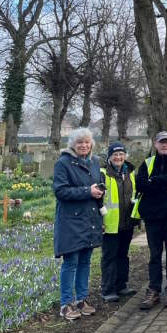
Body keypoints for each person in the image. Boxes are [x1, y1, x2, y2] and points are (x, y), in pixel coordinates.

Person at [53, 128, 103, 321]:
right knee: (71, 262)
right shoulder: (63, 163)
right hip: (71, 221)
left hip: (89, 219)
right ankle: (66, 304)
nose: (84, 145)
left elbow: (95, 185)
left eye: (87, 142)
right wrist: (87, 191)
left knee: (85, 261)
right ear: (72, 145)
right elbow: (61, 192)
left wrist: (99, 192)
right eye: (80, 142)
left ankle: (81, 300)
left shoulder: (94, 162)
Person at [134, 132, 167, 310]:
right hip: (152, 217)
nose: (164, 145)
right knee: (155, 254)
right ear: (155, 144)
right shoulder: (147, 163)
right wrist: (164, 185)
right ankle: (154, 289)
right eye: (161, 142)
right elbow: (140, 184)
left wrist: (154, 181)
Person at [100, 142, 138, 303]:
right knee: (110, 257)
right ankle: (108, 289)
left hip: (126, 223)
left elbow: (134, 195)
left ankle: (121, 285)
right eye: (115, 154)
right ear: (109, 157)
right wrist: (99, 220)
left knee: (123, 255)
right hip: (109, 224)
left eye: (121, 154)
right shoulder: (103, 173)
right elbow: (98, 200)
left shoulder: (129, 172)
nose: (118, 157)